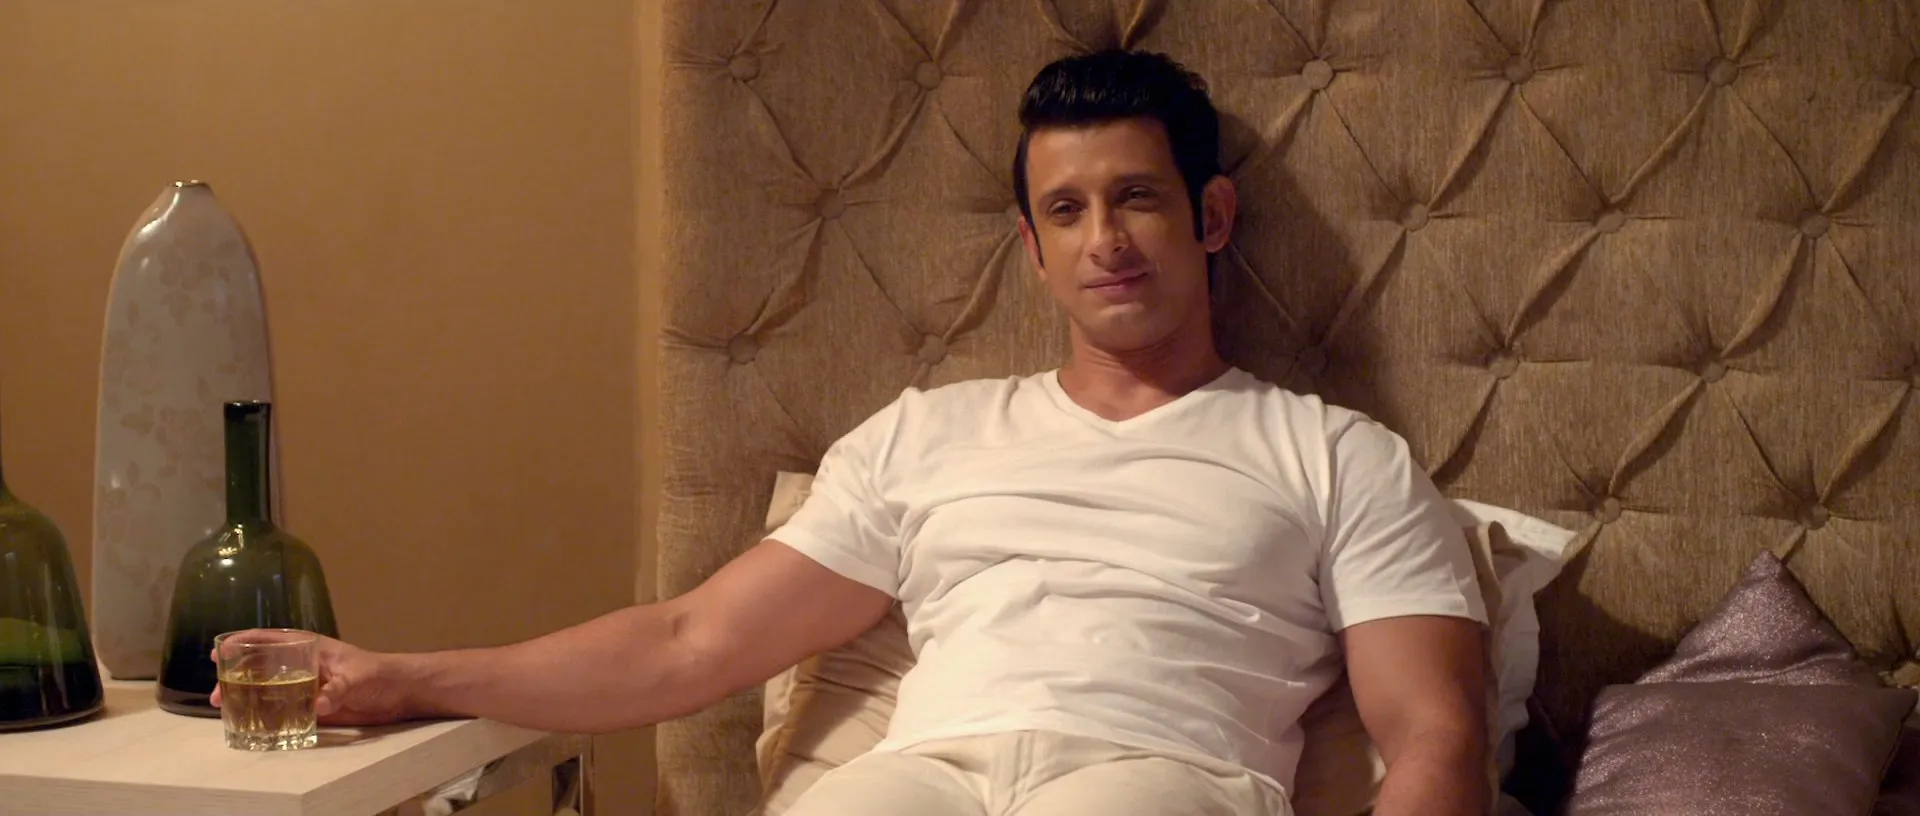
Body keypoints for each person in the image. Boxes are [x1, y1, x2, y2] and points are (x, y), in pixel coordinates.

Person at [216, 50, 1490, 816]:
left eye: (1137, 199)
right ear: (1032, 247)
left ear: (1210, 218)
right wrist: (405, 677)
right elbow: (689, 642)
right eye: (1067, 210)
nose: (1104, 240)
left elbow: (1434, 734)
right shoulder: (929, 435)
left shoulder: (1335, 456)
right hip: (924, 774)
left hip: (1156, 773)